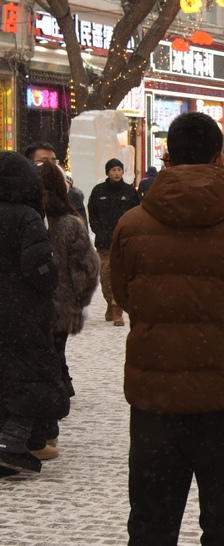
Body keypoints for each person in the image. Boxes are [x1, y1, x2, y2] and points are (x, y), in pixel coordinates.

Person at [110, 112, 224, 544]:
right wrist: (218, 321)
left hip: (155, 400)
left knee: (151, 525)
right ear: (219, 157)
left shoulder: (131, 225)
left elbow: (123, 294)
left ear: (166, 156)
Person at [25, 162, 99, 459]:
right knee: (53, 365)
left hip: (26, 309)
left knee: (32, 368)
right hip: (59, 309)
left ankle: (37, 430)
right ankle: (48, 430)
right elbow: (87, 268)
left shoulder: (27, 219)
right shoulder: (70, 222)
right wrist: (76, 302)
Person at [0, 151, 67, 476]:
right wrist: (49, 279)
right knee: (33, 378)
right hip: (20, 313)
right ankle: (12, 441)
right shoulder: (26, 217)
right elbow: (38, 266)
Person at [88, 158, 139, 327]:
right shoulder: (98, 191)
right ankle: (110, 302)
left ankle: (118, 310)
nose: (117, 173)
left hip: (124, 241)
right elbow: (92, 213)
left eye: (119, 170)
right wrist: (98, 230)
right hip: (104, 243)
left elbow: (136, 212)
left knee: (121, 275)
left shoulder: (129, 191)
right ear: (107, 172)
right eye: (113, 170)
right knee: (106, 276)